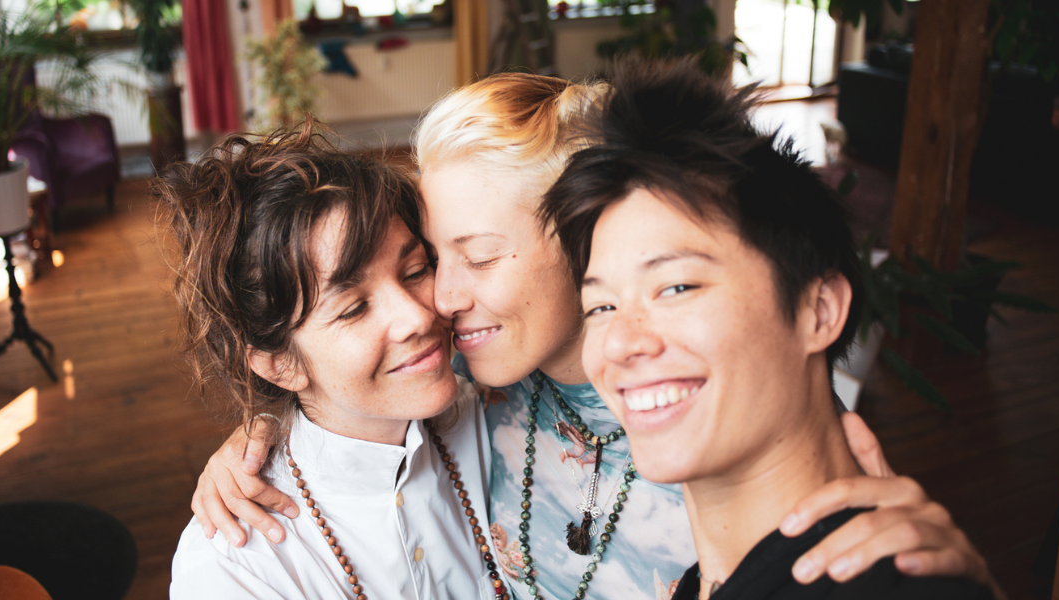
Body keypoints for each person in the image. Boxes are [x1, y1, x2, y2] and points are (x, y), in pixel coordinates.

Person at [188, 73, 997, 599]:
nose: (435, 302)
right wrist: (271, 421)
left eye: (473, 257)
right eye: (438, 259)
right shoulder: (478, 394)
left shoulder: (737, 414)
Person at [543, 60, 993, 600]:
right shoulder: (707, 582)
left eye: (678, 288)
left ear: (819, 310)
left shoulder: (890, 583)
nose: (620, 342)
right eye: (600, 307)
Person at [158, 123, 505, 599]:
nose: (418, 317)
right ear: (278, 363)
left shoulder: (497, 414)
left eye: (416, 270)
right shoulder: (238, 567)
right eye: (354, 308)